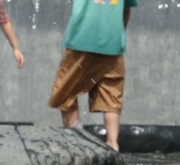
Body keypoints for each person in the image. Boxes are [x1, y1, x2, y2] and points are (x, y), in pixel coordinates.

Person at [47, 0, 137, 152]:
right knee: (111, 95)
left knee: (65, 92)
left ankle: (77, 143)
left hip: (81, 40)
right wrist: (116, 35)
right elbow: (126, 11)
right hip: (112, 44)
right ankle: (113, 145)